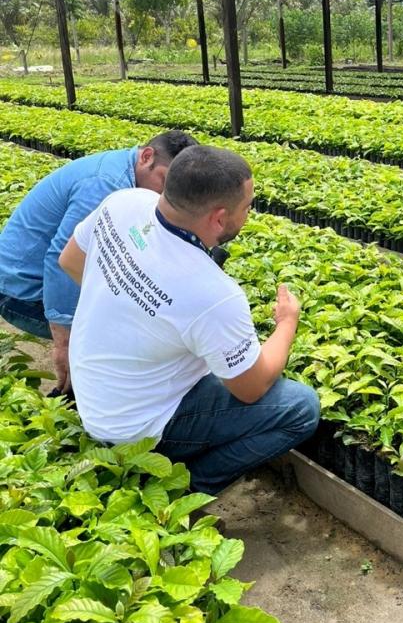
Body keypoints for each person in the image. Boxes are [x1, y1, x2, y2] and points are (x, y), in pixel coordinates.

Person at [58, 145, 319, 495]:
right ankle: (186, 492)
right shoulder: (213, 294)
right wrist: (287, 323)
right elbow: (251, 387)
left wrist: (135, 305)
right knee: (300, 407)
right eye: (247, 207)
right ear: (219, 218)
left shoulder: (123, 203)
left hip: (93, 398)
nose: (249, 213)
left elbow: (71, 260)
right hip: (136, 430)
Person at [0, 130, 199, 392]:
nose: (167, 195)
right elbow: (58, 260)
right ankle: (71, 402)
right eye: (165, 181)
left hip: (48, 275)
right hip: (22, 291)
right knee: (124, 336)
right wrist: (66, 340)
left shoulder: (129, 174)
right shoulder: (105, 184)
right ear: (147, 157)